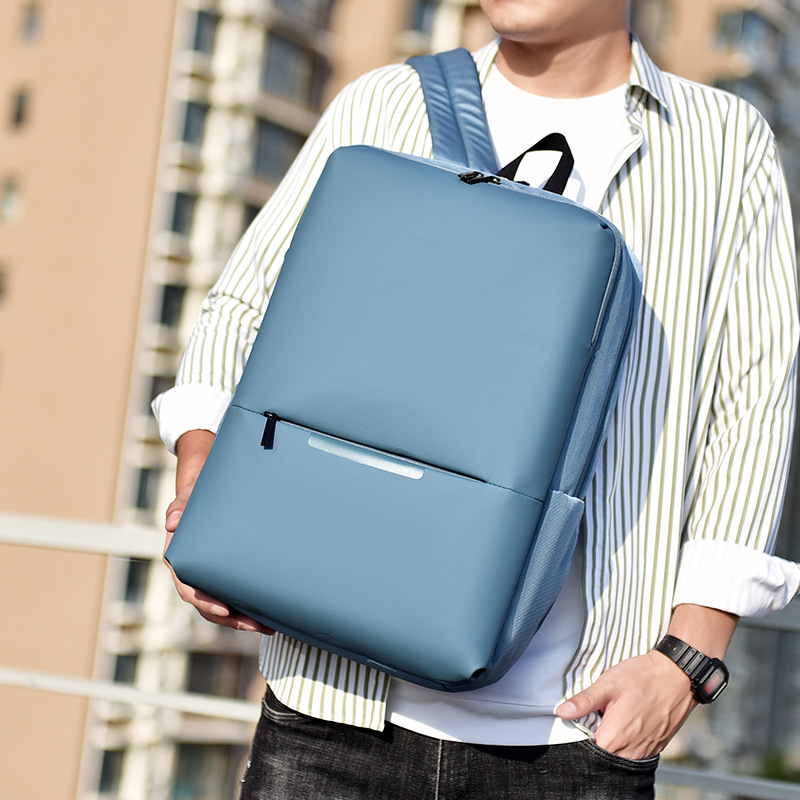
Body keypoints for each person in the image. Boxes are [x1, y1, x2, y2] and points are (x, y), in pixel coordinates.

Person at [153, 0, 800, 796]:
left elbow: (752, 402)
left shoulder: (723, 144)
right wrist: (206, 492)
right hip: (329, 709)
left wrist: (687, 662)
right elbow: (241, 309)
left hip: (575, 734)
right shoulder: (385, 101)